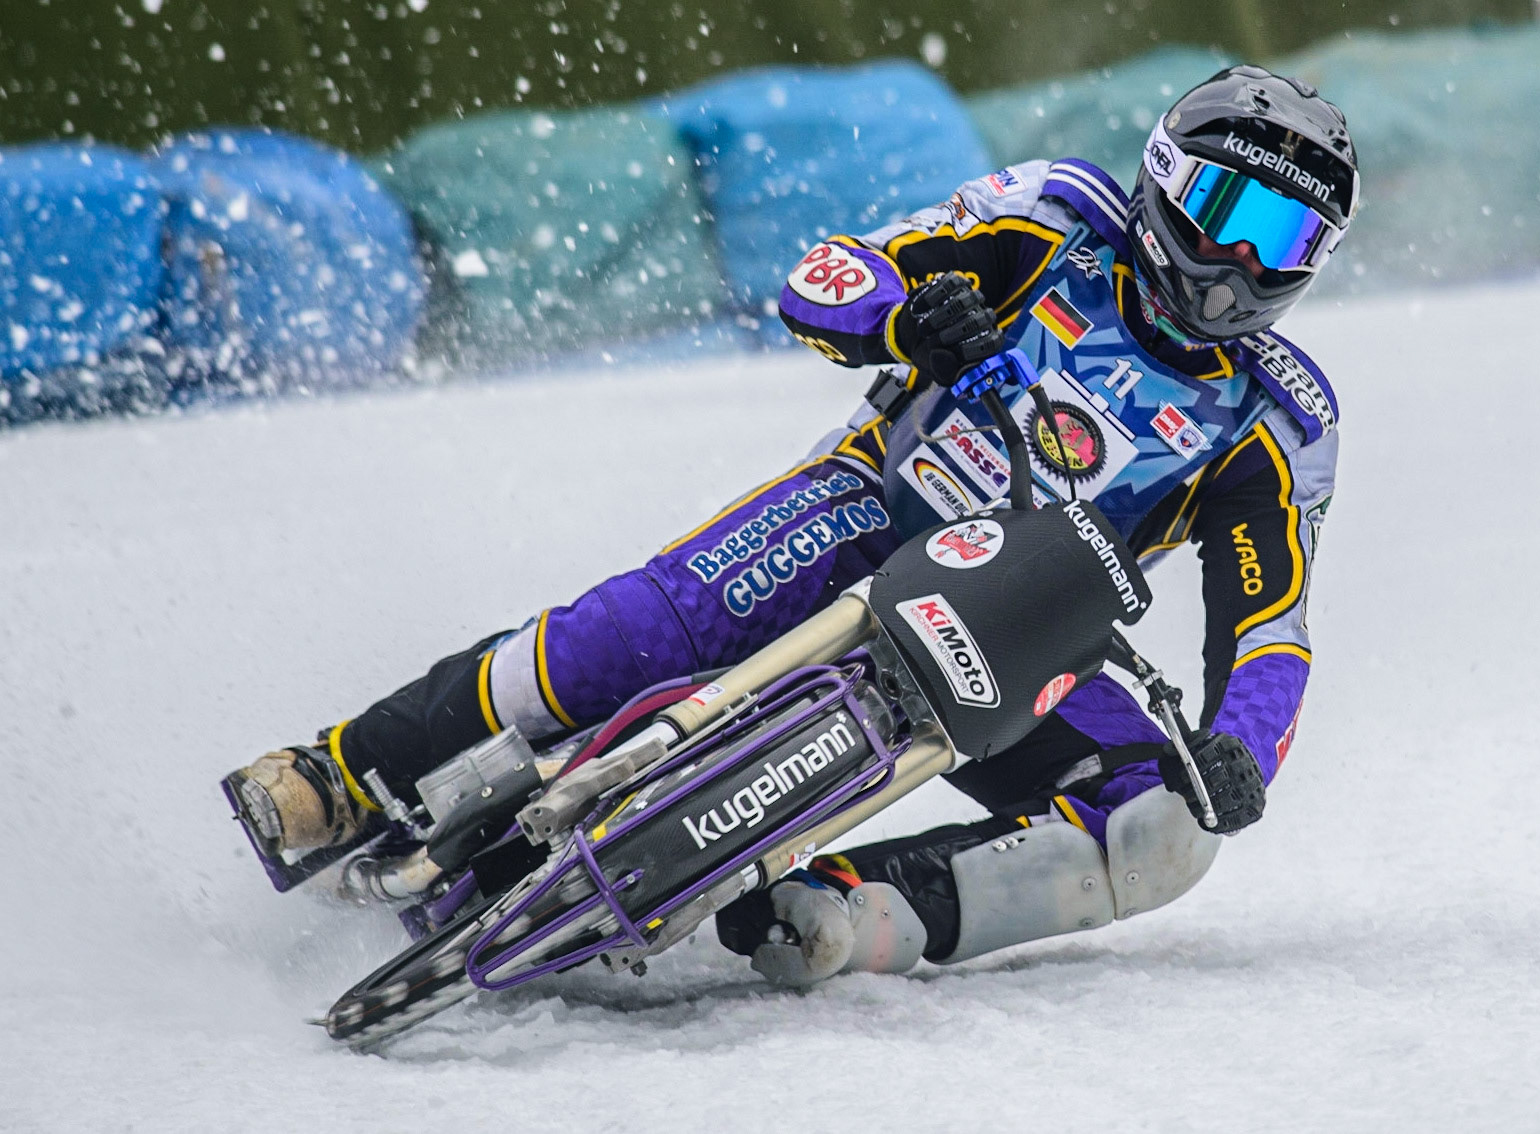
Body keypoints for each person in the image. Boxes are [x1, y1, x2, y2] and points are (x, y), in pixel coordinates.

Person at [229, 65, 1356, 984]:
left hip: (1026, 626)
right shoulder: (1054, 214)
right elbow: (827, 276)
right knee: (632, 636)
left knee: (1161, 830)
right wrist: (908, 319)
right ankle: (343, 772)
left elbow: (1272, 626)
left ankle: (845, 917)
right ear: (1164, 180)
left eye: (1283, 238)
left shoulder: (1280, 418)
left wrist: (1242, 751)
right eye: (1229, 214)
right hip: (865, 509)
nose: (1239, 265)